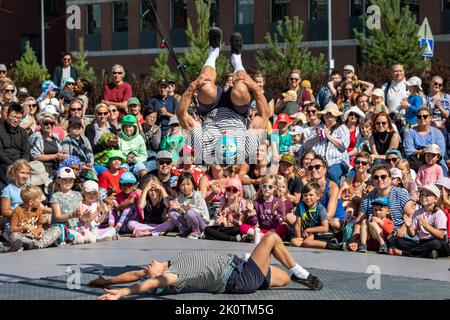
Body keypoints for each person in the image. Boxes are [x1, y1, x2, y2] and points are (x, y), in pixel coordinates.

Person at [89, 229, 323, 299]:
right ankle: (300, 272)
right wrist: (121, 294)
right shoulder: (172, 276)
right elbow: (145, 284)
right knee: (271, 238)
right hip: (238, 279)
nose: (147, 265)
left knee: (281, 278)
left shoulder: (167, 264)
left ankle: (293, 274)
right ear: (156, 277)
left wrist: (106, 281)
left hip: (238, 268)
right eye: (148, 270)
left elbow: (135, 275)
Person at [176, 29, 267, 166]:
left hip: (211, 110)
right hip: (237, 112)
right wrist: (255, 87)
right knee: (241, 90)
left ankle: (213, 52)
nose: (225, 133)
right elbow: (265, 115)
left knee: (206, 87)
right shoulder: (246, 148)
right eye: (227, 136)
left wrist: (192, 87)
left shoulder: (204, 148)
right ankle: (237, 59)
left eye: (222, 137)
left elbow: (181, 114)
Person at [348, 164, 416, 253]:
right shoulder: (367, 198)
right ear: (372, 181)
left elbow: (412, 214)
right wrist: (354, 239)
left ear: (390, 179)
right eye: (376, 177)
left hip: (396, 234)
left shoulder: (400, 194)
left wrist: (404, 228)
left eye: (383, 177)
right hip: (374, 236)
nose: (379, 180)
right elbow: (360, 221)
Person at [389, 184, 448, 258]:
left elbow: (441, 235)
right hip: (422, 243)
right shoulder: (417, 212)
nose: (423, 197)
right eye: (422, 194)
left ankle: (404, 253)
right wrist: (409, 226)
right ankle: (427, 253)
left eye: (427, 195)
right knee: (396, 240)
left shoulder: (439, 213)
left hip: (437, 242)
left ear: (435, 199)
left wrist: (427, 226)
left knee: (436, 243)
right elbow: (412, 234)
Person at [303, 103, 350, 185]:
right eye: (327, 114)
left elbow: (344, 145)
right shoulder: (317, 128)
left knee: (330, 173)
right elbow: (307, 146)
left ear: (336, 116)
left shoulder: (342, 127)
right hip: (320, 163)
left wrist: (328, 136)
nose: (329, 115)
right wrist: (316, 138)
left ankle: (337, 191)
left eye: (332, 114)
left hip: (338, 162)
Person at [9, 186, 61, 250]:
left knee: (57, 229)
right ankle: (35, 244)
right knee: (13, 236)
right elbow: (12, 229)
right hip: (24, 236)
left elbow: (39, 226)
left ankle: (36, 245)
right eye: (39, 199)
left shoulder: (38, 209)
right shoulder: (17, 211)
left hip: (36, 237)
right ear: (31, 202)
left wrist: (37, 234)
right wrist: (24, 227)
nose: (41, 200)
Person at [289, 182, 337, 250]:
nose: (307, 198)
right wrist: (299, 237)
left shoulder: (321, 209)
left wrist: (308, 230)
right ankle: (312, 244)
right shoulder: (301, 206)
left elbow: (325, 228)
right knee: (294, 241)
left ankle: (333, 245)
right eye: (305, 195)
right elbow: (298, 224)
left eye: (311, 195)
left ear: (318, 196)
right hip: (310, 235)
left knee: (307, 242)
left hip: (322, 233)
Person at [240, 175, 288, 241]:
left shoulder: (279, 202)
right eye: (264, 186)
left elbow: (279, 222)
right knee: (243, 227)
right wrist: (251, 212)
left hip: (273, 231)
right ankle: (262, 236)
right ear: (261, 187)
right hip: (260, 230)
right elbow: (254, 223)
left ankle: (260, 237)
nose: (267, 189)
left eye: (270, 187)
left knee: (284, 226)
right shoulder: (256, 202)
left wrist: (275, 214)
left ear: (275, 188)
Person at [307, 155, 346, 232]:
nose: (313, 170)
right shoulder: (309, 186)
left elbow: (329, 215)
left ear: (325, 170)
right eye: (310, 168)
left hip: (333, 220)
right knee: (289, 216)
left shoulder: (332, 187)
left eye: (317, 167)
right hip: (317, 218)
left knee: (334, 223)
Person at [403, 107, 447, 173]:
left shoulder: (437, 133)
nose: (422, 118)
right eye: (419, 116)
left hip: (435, 163)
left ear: (430, 118)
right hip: (416, 163)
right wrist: (422, 151)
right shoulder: (410, 132)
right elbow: (408, 150)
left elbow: (441, 152)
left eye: (425, 116)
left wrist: (423, 152)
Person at [204, 177, 247, 242]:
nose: (231, 192)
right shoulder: (223, 201)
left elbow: (241, 223)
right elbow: (221, 221)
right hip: (225, 228)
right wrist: (221, 219)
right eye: (228, 189)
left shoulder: (242, 203)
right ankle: (231, 239)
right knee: (207, 229)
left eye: (234, 190)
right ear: (226, 190)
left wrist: (235, 222)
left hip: (235, 228)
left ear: (239, 191)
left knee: (237, 229)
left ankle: (223, 237)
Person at [167, 172, 209, 239]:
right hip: (189, 223)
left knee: (190, 212)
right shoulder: (180, 196)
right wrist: (175, 207)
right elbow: (180, 210)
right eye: (182, 185)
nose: (186, 187)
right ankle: (185, 230)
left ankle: (196, 231)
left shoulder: (198, 195)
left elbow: (202, 213)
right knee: (171, 212)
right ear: (179, 186)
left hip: (202, 223)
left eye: (188, 184)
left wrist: (182, 208)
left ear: (193, 185)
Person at [50, 167, 84, 245]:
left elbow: (81, 216)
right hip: (62, 228)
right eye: (65, 179)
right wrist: (71, 215)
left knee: (91, 239)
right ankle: (62, 241)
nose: (68, 182)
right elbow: (57, 217)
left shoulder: (77, 194)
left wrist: (85, 215)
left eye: (71, 180)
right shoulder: (55, 196)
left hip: (76, 227)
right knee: (80, 239)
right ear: (58, 180)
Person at [0, 103, 30, 189]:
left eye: (19, 118)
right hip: (4, 162)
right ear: (7, 115)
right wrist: (12, 165)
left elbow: (26, 152)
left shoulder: (23, 133)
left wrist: (22, 164)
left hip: (20, 162)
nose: (16, 120)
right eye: (14, 117)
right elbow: (0, 153)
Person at [1, 160, 31, 241]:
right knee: (15, 236)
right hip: (14, 226)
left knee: (53, 227)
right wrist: (22, 214)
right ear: (14, 172)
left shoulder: (30, 189)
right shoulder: (8, 190)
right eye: (22, 172)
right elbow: (5, 211)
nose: (25, 176)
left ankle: (31, 242)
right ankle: (6, 246)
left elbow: (39, 207)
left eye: (27, 173)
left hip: (29, 224)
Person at [118, 114, 148, 179]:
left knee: (143, 172)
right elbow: (118, 154)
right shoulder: (119, 138)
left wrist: (135, 159)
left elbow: (144, 155)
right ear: (123, 127)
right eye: (126, 126)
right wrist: (125, 159)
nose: (128, 129)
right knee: (123, 173)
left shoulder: (139, 138)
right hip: (124, 162)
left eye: (130, 126)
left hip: (137, 162)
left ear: (135, 127)